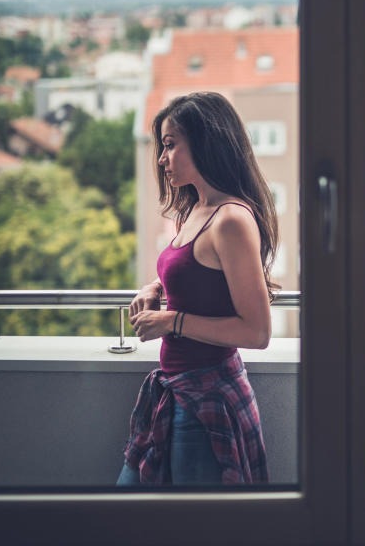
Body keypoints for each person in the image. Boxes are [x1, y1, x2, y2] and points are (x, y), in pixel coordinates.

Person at [117, 91, 277, 486]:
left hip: (208, 402)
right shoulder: (195, 209)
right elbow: (197, 267)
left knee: (191, 529)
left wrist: (171, 321)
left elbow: (256, 332)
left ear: (204, 143)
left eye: (170, 145)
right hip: (178, 393)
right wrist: (156, 285)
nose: (161, 158)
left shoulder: (231, 220)